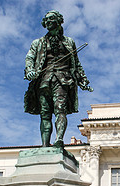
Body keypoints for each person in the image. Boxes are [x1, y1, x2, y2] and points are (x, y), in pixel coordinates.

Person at [24, 10, 92, 148]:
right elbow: (30, 57)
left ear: (59, 21)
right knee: (45, 113)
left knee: (60, 109)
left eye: (51, 19)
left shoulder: (69, 42)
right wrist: (30, 70)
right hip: (44, 80)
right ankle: (44, 145)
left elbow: (76, 63)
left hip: (63, 79)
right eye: (46, 20)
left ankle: (59, 139)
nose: (48, 22)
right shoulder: (38, 42)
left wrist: (82, 79)